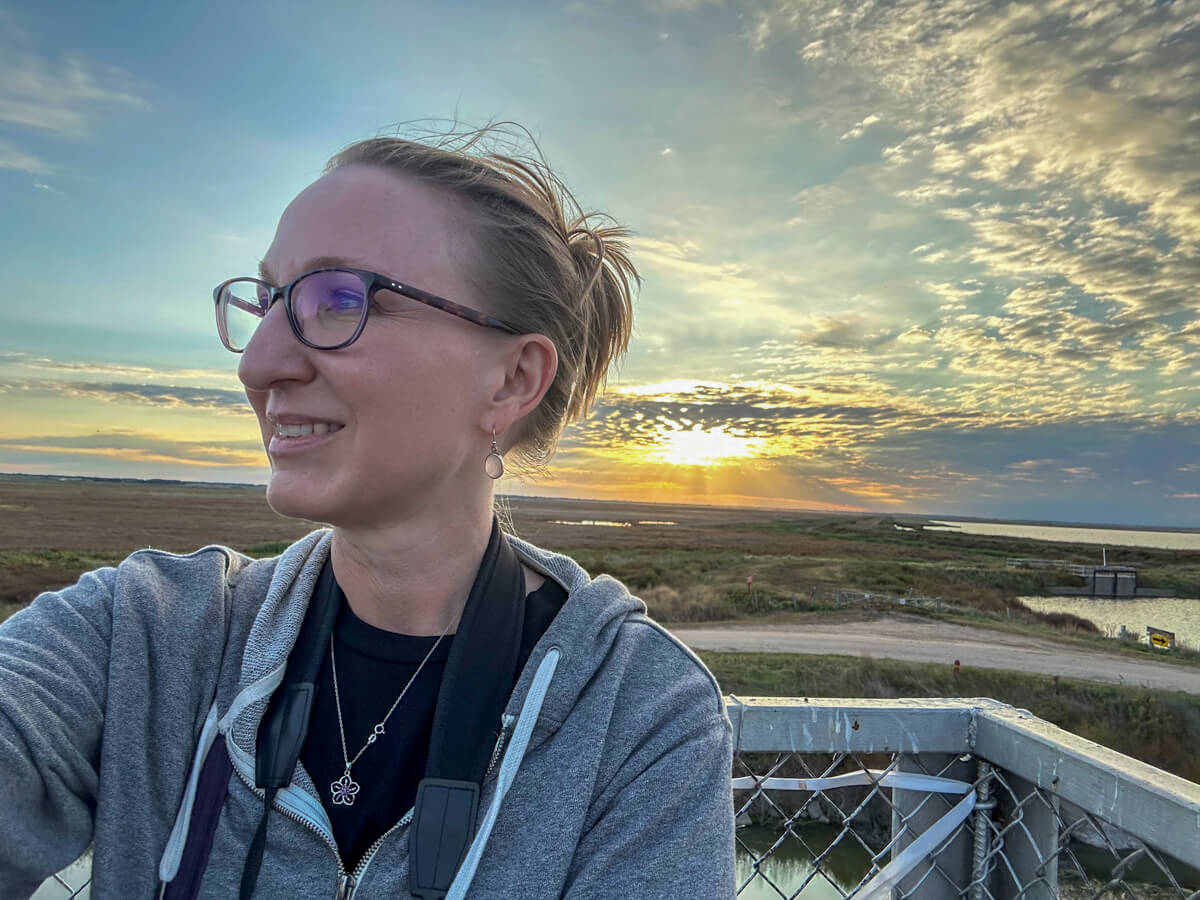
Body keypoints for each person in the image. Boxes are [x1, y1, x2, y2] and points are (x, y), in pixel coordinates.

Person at [0, 126, 736, 899]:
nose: (259, 365)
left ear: (513, 380)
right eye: (269, 302)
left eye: (339, 299)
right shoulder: (146, 635)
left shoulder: (638, 716)